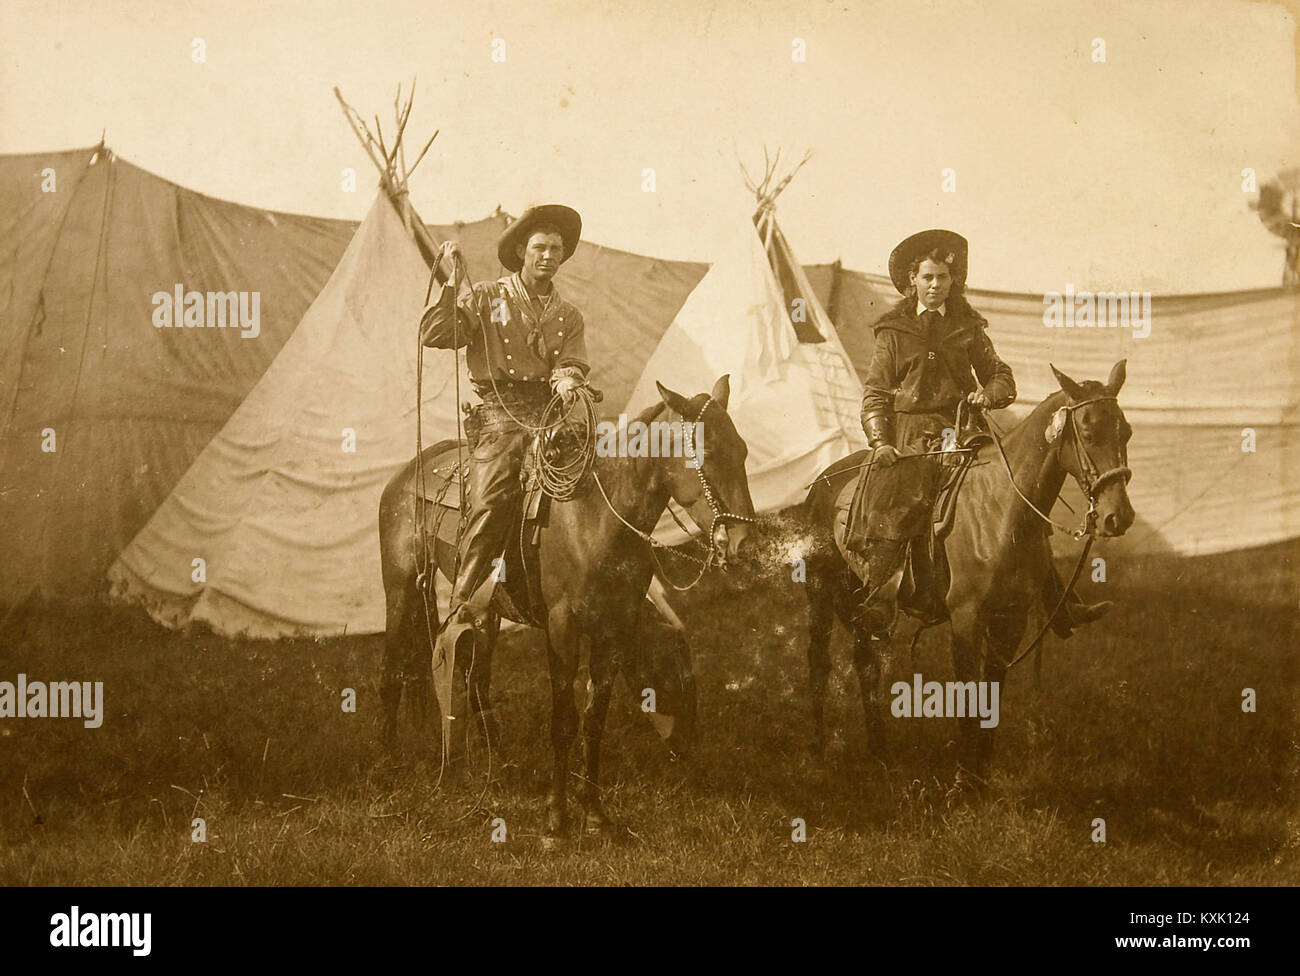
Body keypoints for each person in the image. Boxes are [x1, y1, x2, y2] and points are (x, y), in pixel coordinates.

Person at [847, 228, 1109, 636]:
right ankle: (882, 594)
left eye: (944, 278)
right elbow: (876, 392)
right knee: (904, 498)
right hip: (912, 437)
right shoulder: (893, 333)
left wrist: (988, 394)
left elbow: (1002, 377)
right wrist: (880, 441)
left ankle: (1058, 602)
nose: (936, 286)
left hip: (965, 430)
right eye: (928, 277)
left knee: (1019, 495)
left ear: (954, 282)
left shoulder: (967, 328)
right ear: (912, 280)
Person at [419, 204, 589, 629]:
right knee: (494, 498)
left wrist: (568, 378)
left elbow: (573, 360)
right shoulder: (488, 297)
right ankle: (462, 603)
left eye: (556, 248)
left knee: (597, 476)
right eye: (539, 247)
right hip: (500, 419)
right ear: (521, 251)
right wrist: (452, 285)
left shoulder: (568, 315)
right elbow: (436, 334)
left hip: (551, 414)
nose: (548, 255)